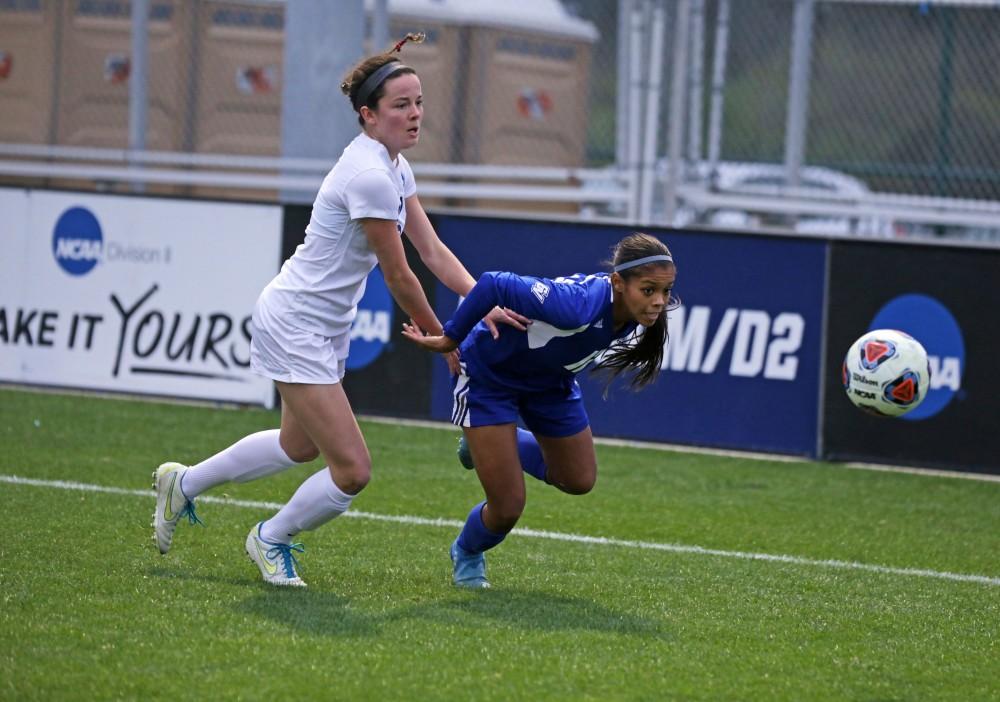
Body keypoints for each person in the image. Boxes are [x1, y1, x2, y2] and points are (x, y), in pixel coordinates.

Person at [152, 34, 528, 587]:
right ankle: (270, 538)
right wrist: (446, 336)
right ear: (368, 116)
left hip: (322, 326)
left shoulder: (394, 167)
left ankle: (182, 483)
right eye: (401, 105)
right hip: (295, 321)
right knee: (352, 470)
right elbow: (400, 274)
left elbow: (433, 251)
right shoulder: (371, 176)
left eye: (418, 102)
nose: (415, 113)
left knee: (296, 446)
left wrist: (482, 302)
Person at [402, 232, 678, 589]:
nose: (659, 301)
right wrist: (450, 337)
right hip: (492, 376)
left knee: (578, 479)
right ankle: (468, 551)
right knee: (507, 508)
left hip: (550, 384)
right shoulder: (579, 304)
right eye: (649, 290)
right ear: (618, 283)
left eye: (666, 291)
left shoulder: (632, 314)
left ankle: (493, 443)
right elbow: (494, 283)